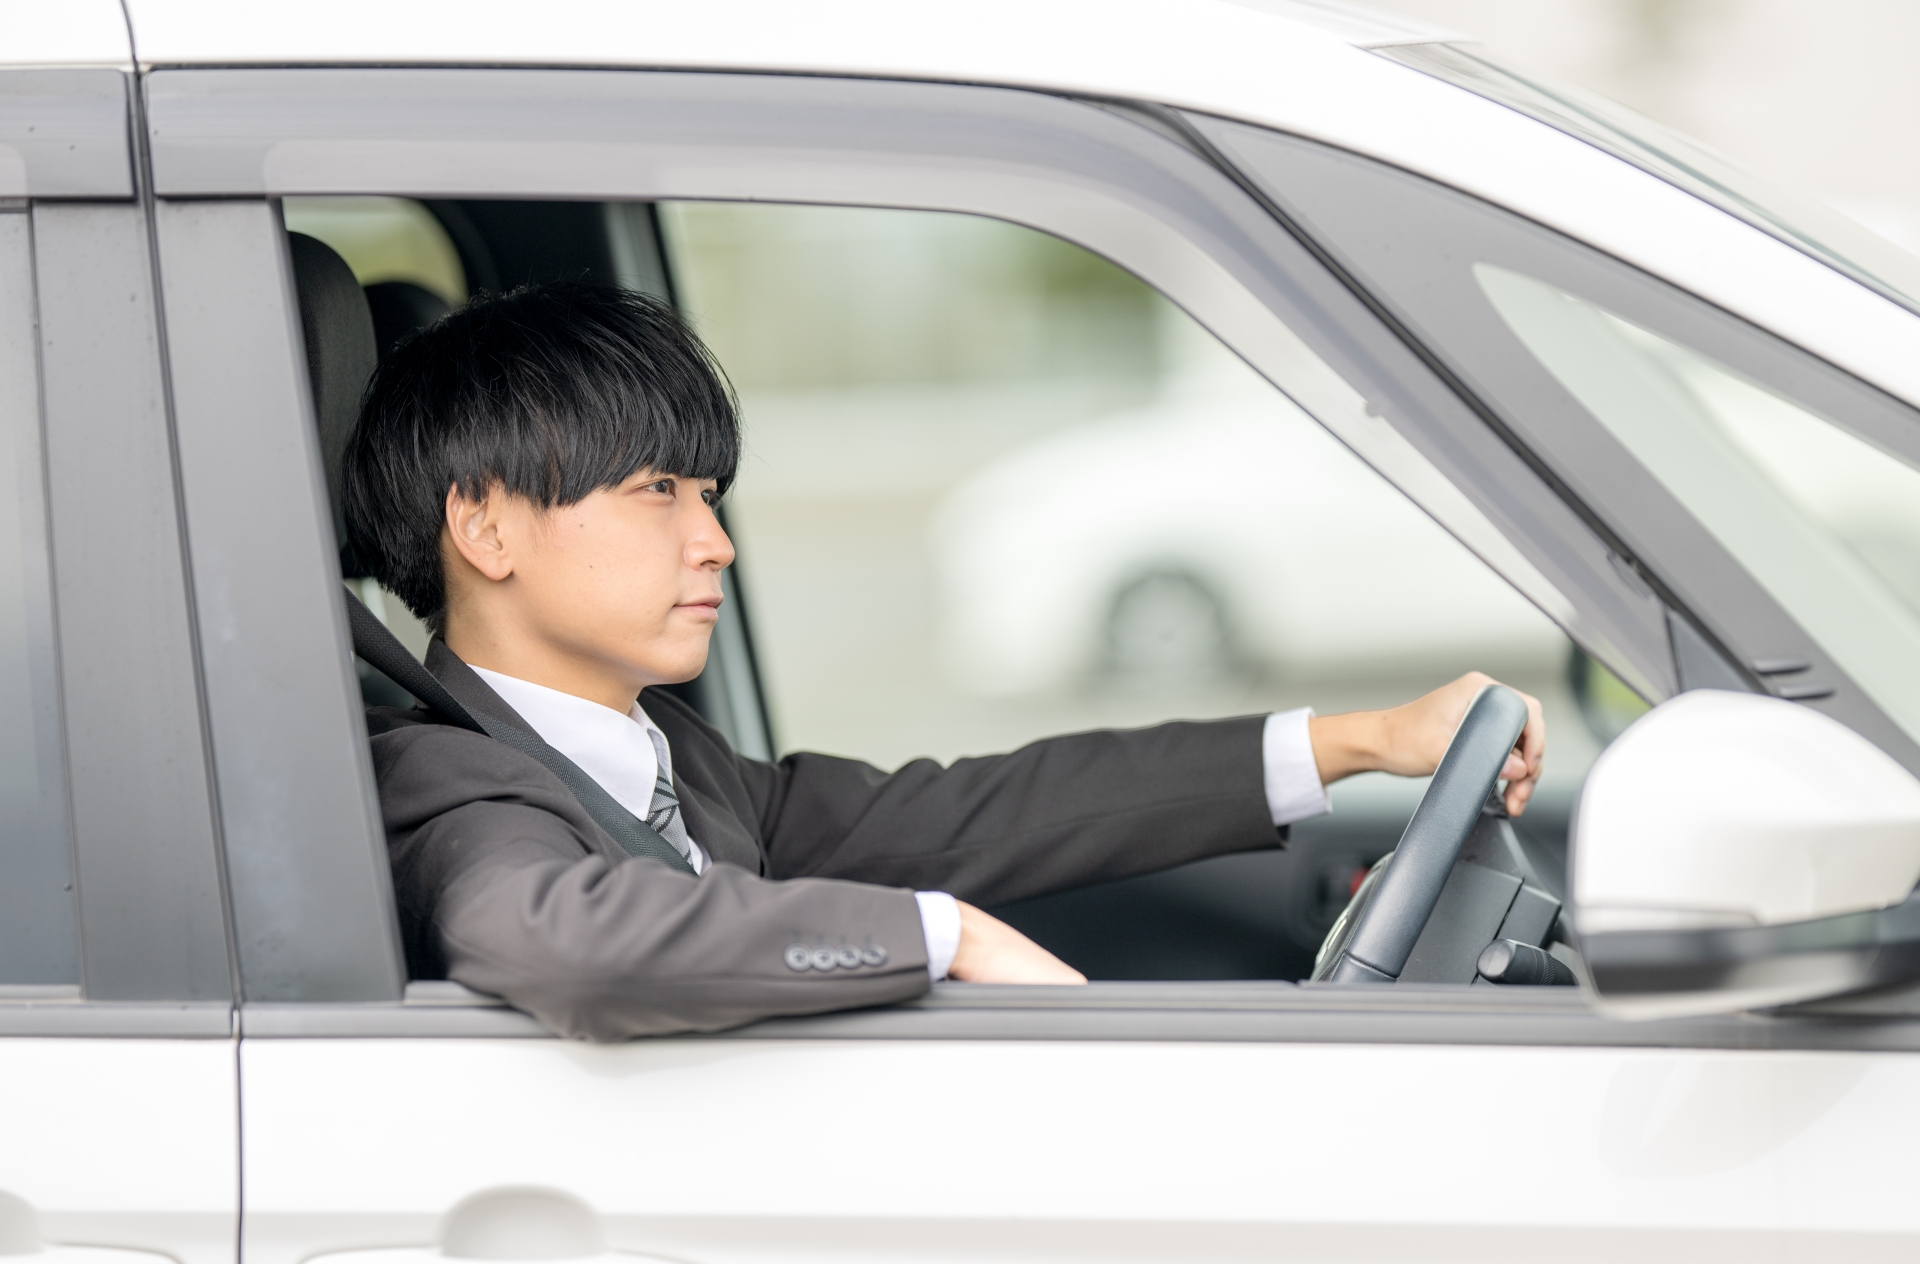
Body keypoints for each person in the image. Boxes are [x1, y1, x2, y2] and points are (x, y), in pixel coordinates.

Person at [344, 280, 1546, 1041]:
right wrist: (944, 936)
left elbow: (966, 810)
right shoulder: (445, 780)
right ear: (485, 527)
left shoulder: (670, 759)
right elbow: (557, 935)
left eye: (709, 495)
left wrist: (1362, 740)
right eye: (658, 490)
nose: (713, 541)